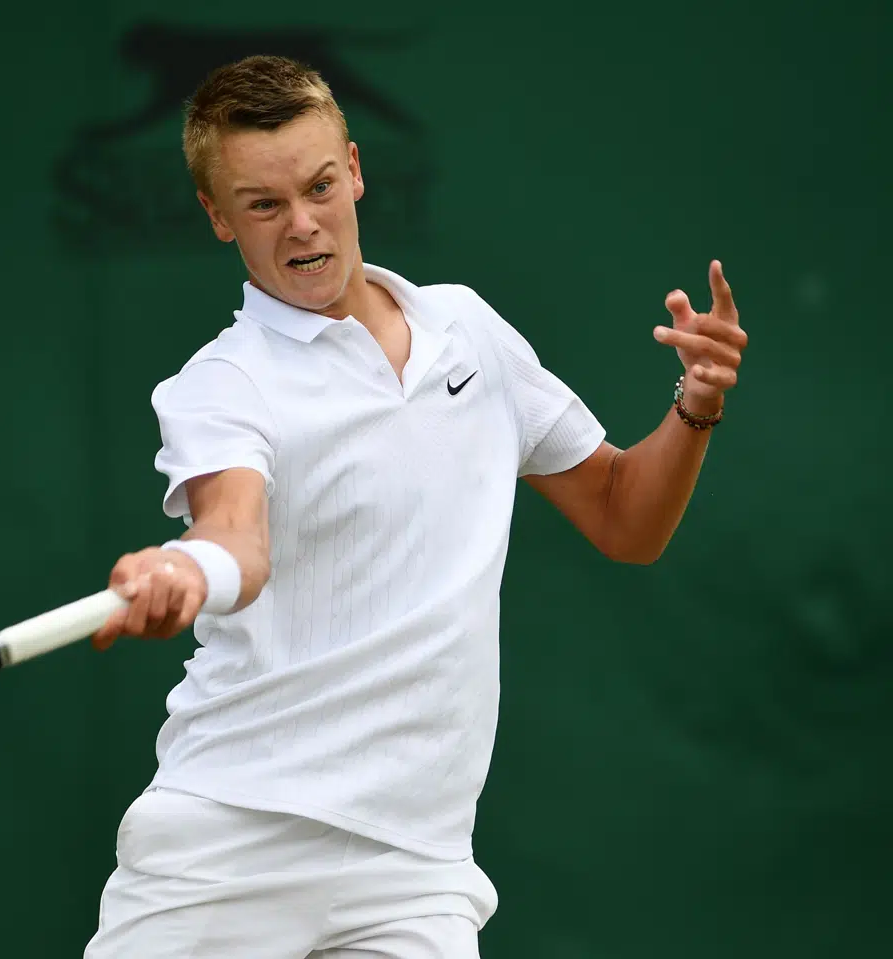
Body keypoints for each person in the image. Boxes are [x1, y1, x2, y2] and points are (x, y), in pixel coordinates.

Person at [83, 55, 747, 959]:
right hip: (233, 834)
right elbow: (235, 536)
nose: (304, 224)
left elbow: (625, 515)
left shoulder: (466, 329)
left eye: (320, 186)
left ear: (355, 168)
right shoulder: (222, 384)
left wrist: (696, 403)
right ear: (217, 216)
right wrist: (187, 567)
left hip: (416, 861)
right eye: (264, 204)